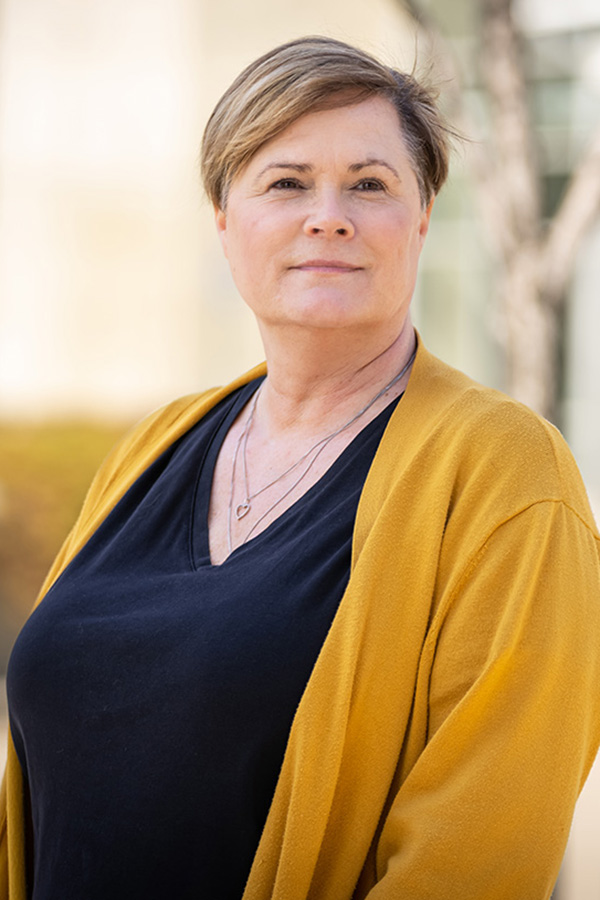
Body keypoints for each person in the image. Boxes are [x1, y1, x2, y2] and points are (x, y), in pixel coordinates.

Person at [1, 35, 599, 900]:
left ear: (423, 217)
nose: (329, 215)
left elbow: (477, 853)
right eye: (285, 183)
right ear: (224, 221)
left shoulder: (504, 470)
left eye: (371, 184)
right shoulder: (157, 443)